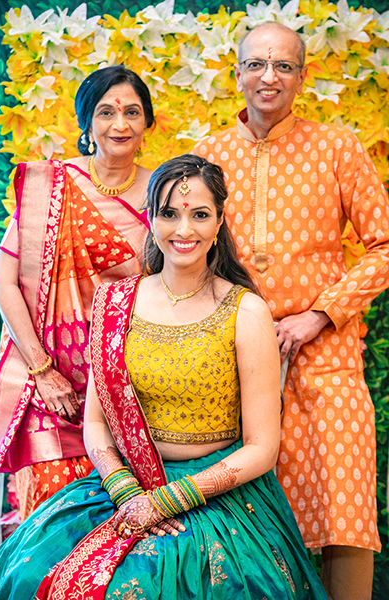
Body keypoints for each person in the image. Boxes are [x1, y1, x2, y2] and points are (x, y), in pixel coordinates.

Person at [0, 154, 328, 600]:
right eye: (169, 214)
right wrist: (127, 491)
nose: (184, 230)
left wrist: (162, 503)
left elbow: (262, 448)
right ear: (150, 219)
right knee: (29, 576)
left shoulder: (246, 311)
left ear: (220, 220)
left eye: (200, 215)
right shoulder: (116, 301)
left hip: (217, 493)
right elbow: (95, 422)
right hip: (124, 482)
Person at [193, 21, 389, 600]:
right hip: (235, 355)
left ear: (303, 76)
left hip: (326, 354)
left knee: (343, 504)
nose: (268, 76)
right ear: (237, 75)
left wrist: (320, 315)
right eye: (256, 64)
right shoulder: (208, 155)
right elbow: (189, 249)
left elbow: (385, 244)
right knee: (248, 510)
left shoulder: (337, 148)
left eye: (283, 65)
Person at [0, 66, 154, 520]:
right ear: (86, 123)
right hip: (51, 389)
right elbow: (2, 281)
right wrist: (43, 371)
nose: (119, 124)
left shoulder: (165, 191)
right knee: (51, 528)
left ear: (148, 124)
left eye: (132, 112)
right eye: (106, 112)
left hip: (133, 389)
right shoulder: (53, 185)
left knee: (127, 534)